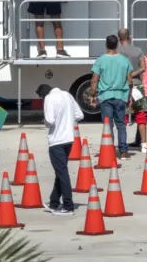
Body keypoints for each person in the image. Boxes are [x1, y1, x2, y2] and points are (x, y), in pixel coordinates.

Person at [38, 83, 84, 216]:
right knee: (60, 171)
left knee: (62, 172)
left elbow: (50, 120)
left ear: (44, 95)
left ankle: (68, 205)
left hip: (56, 141)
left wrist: (45, 122)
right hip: (69, 139)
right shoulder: (67, 95)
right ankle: (54, 202)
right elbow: (80, 115)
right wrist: (67, 122)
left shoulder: (49, 99)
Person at [89, 35, 133, 159]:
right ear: (117, 45)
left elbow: (94, 80)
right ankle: (123, 151)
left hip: (105, 96)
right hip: (121, 96)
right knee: (121, 125)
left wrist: (92, 95)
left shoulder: (100, 60)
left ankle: (110, 150)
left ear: (106, 45)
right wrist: (129, 96)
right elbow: (129, 80)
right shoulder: (124, 60)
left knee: (108, 125)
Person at [116, 29, 147, 152]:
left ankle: (122, 143)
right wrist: (133, 74)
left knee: (122, 115)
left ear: (119, 38)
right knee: (141, 114)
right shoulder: (138, 51)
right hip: (138, 86)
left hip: (122, 87)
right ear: (129, 37)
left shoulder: (116, 52)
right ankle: (144, 144)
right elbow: (143, 68)